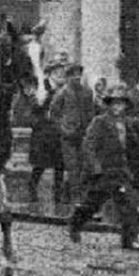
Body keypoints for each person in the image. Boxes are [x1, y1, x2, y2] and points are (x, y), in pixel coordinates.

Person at [68, 84, 139, 251]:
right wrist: (95, 168)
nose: (117, 107)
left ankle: (129, 240)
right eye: (114, 104)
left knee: (129, 205)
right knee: (92, 205)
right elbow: (88, 146)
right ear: (108, 105)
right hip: (103, 173)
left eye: (121, 104)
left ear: (125, 106)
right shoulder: (100, 122)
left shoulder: (126, 123)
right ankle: (75, 223)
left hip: (121, 172)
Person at [49, 63, 97, 204]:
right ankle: (76, 196)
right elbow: (53, 114)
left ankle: (69, 191)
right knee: (72, 166)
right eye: (73, 75)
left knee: (83, 166)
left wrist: (90, 129)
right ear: (68, 77)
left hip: (83, 134)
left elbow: (91, 112)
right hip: (68, 135)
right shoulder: (62, 93)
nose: (76, 78)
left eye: (78, 75)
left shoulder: (87, 92)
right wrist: (62, 128)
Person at [27, 54, 67, 205]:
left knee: (60, 164)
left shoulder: (63, 89)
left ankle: (58, 195)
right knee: (41, 164)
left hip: (58, 131)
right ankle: (32, 187)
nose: (60, 75)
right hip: (43, 132)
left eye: (62, 72)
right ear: (50, 73)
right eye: (57, 72)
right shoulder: (43, 86)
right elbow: (34, 108)